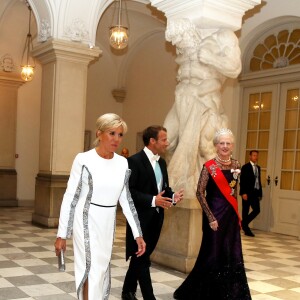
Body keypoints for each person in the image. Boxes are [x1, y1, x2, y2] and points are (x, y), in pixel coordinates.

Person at [54, 113, 146, 300]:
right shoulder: (84, 159)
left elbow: (126, 200)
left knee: (101, 268)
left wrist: (138, 234)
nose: (116, 139)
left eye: (120, 135)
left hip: (107, 222)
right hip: (85, 219)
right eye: (112, 133)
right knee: (92, 267)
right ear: (99, 133)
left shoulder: (122, 163)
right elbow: (70, 197)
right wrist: (62, 234)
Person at [173, 128, 251, 300]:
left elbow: (233, 191)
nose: (224, 146)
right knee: (212, 254)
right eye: (221, 143)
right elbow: (200, 193)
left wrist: (236, 215)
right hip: (214, 218)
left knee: (231, 253)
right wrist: (210, 218)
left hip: (230, 217)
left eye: (228, 143)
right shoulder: (209, 167)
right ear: (216, 145)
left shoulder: (237, 165)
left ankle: (230, 293)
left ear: (232, 145)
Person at [122, 125, 184, 300]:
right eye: (164, 139)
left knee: (140, 256)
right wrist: (152, 200)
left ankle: (127, 291)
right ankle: (149, 297)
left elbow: (164, 189)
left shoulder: (162, 162)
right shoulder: (134, 161)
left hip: (157, 219)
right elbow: (129, 191)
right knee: (143, 259)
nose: (167, 143)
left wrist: (173, 197)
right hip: (139, 219)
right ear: (152, 141)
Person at [240, 150, 262, 237]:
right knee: (245, 211)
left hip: (255, 193)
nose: (255, 157)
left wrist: (260, 193)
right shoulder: (245, 167)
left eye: (256, 156)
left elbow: (258, 181)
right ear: (250, 156)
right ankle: (246, 229)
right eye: (254, 155)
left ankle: (243, 223)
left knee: (257, 210)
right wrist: (243, 193)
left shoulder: (258, 168)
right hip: (246, 193)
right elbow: (242, 181)